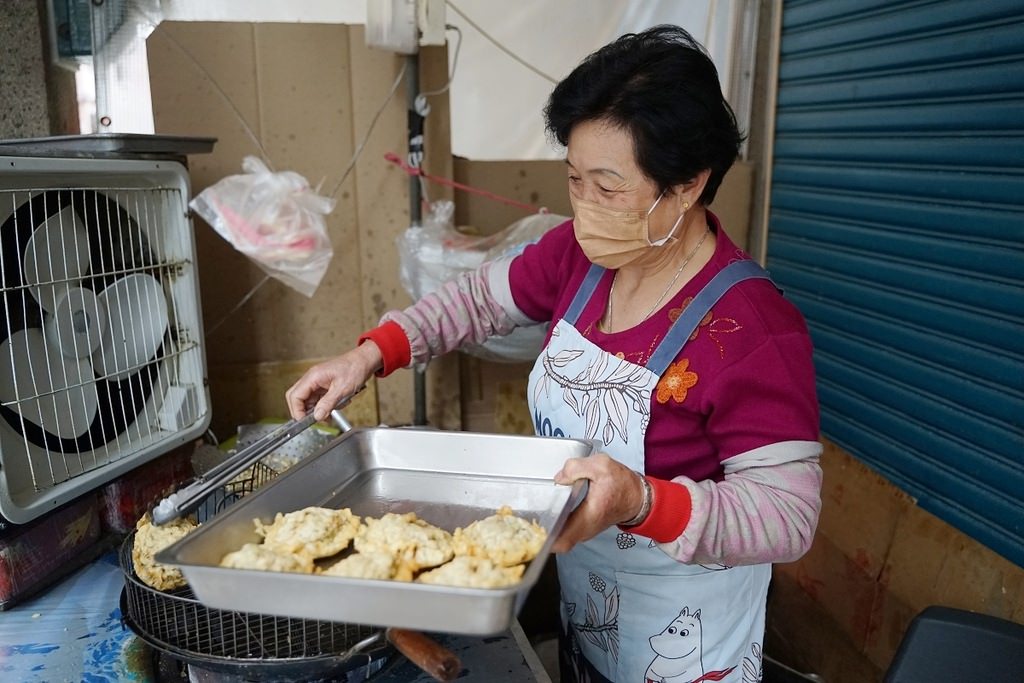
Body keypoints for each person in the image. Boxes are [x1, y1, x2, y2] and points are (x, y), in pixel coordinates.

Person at [286, 25, 822, 683]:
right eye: (574, 180)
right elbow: (477, 301)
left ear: (688, 184)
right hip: (588, 604)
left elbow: (788, 514)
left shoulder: (753, 329)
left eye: (608, 186)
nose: (585, 208)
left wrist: (643, 501)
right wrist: (369, 354)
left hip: (688, 643)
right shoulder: (581, 256)